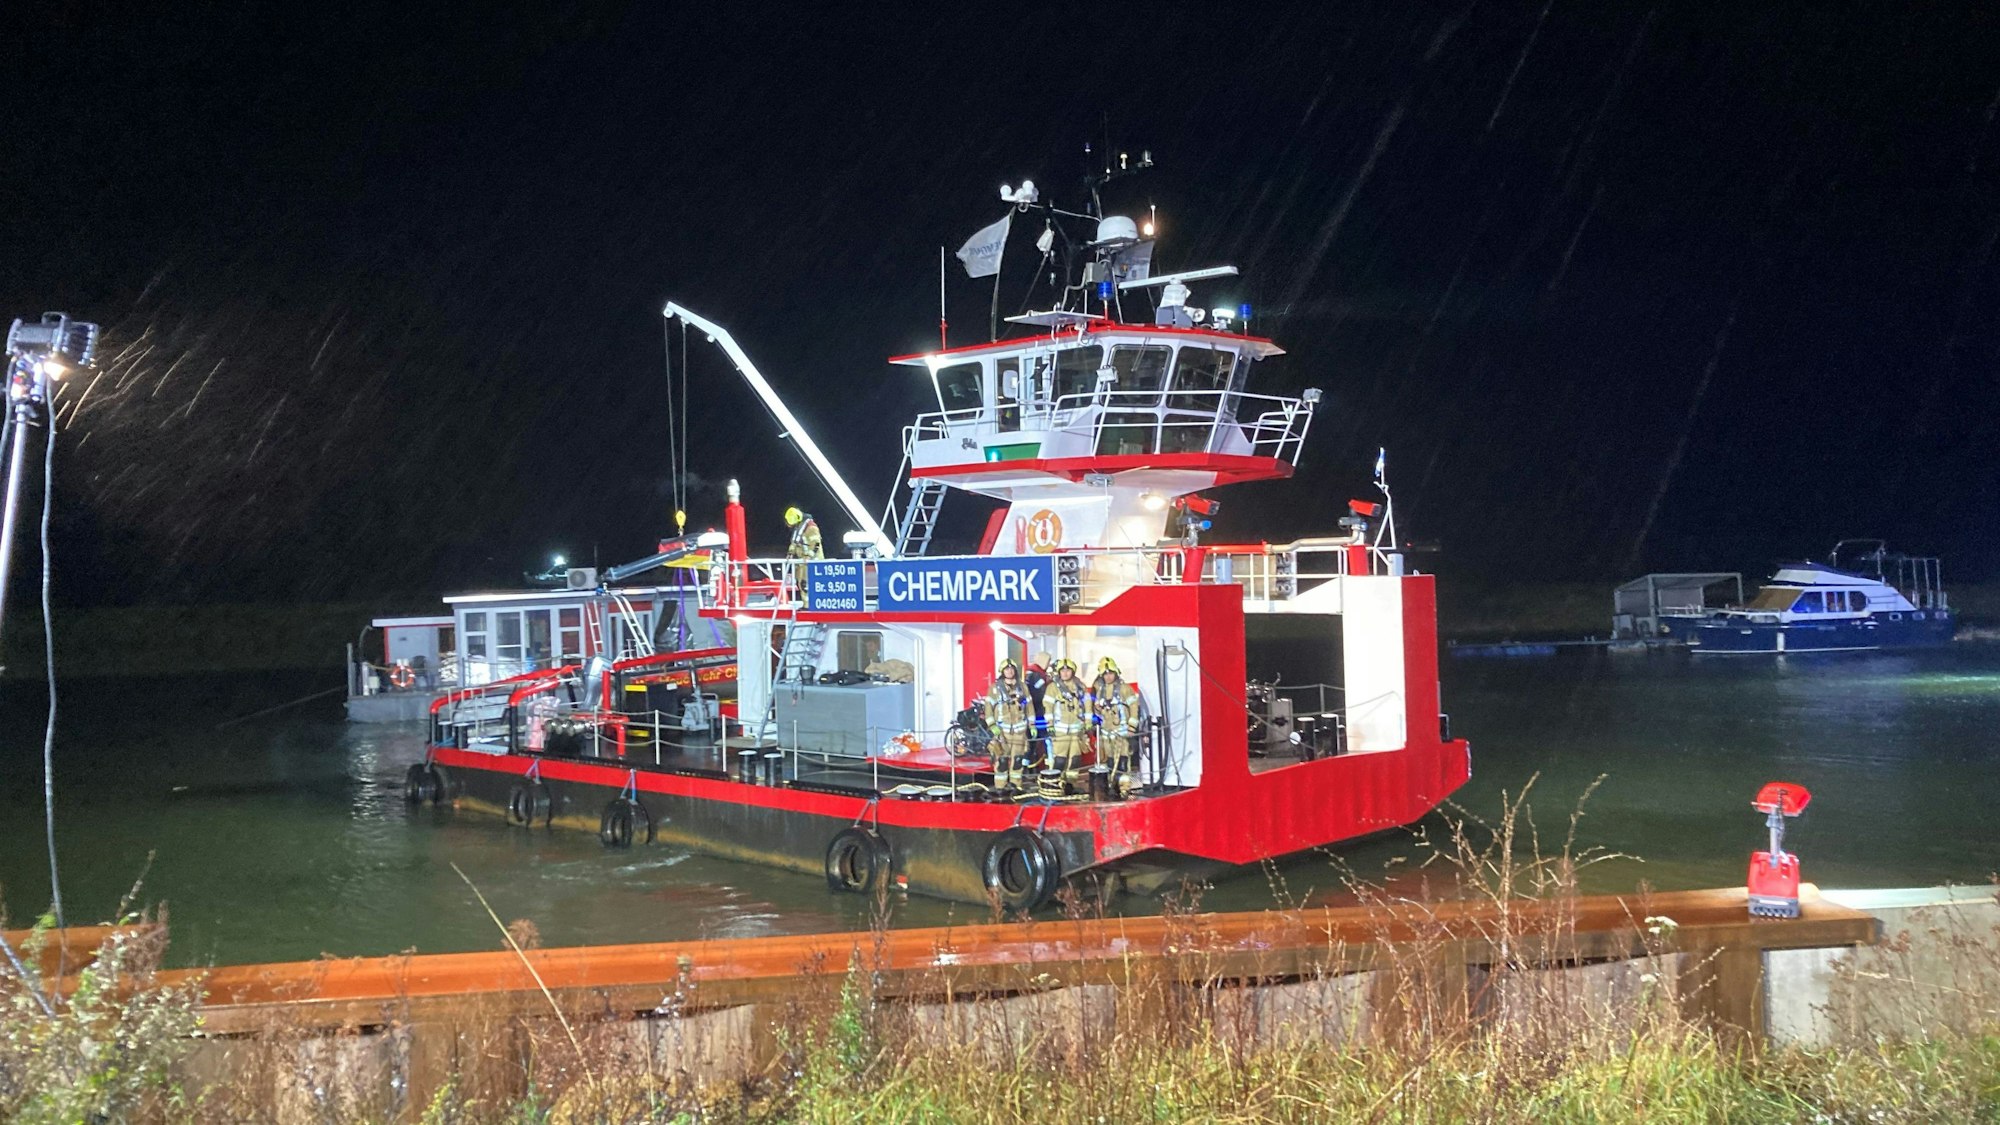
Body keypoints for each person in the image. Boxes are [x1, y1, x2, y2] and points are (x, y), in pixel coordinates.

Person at [1089, 657, 1142, 793]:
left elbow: (1134, 708)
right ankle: (1113, 788)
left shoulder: (1125, 689)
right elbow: (1099, 712)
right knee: (1110, 762)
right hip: (1107, 733)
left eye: (1110, 673)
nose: (1108, 676)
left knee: (1123, 762)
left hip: (1122, 733)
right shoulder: (1101, 690)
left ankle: (1125, 789)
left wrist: (1132, 727)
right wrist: (1097, 710)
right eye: (1105, 674)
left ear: (1116, 673)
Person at [984, 660, 1031, 793]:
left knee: (1017, 760)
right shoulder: (994, 688)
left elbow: (1029, 706)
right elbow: (988, 708)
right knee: (1002, 761)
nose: (1009, 671)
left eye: (1011, 669)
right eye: (1007, 669)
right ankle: (1000, 787)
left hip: (1019, 732)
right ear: (1002, 671)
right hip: (1002, 733)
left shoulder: (1022, 687)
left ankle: (1016, 785)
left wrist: (1031, 725)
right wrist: (992, 725)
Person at [1046, 658, 1089, 791]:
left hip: (1077, 730)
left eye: (1068, 670)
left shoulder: (1080, 687)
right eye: (1062, 670)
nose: (1065, 673)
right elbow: (1048, 706)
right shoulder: (1053, 688)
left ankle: (1070, 785)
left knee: (1075, 760)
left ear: (1073, 671)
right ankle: (1054, 786)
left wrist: (1087, 723)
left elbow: (1088, 705)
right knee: (1060, 760)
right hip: (1060, 730)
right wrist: (1050, 724)